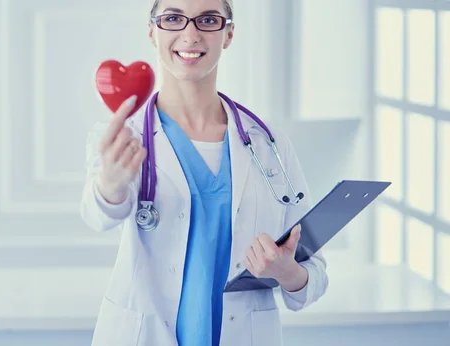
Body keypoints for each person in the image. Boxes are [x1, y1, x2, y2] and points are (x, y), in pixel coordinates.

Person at [80, 0, 328, 345]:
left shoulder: (269, 143)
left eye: (208, 20)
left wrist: (287, 272)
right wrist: (109, 186)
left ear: (228, 34)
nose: (190, 34)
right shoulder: (124, 136)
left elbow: (313, 275)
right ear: (152, 31)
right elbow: (98, 216)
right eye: (173, 18)